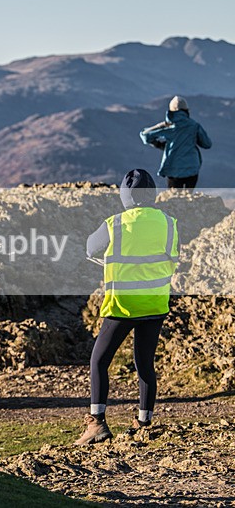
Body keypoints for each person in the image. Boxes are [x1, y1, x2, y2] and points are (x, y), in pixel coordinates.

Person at [76, 169, 179, 445]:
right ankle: (143, 422)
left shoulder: (115, 224)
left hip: (122, 305)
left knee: (99, 361)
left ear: (125, 195)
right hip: (155, 304)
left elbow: (89, 248)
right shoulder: (169, 223)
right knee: (145, 363)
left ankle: (97, 423)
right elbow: (173, 256)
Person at [140, 95, 212, 190]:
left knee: (175, 199)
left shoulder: (168, 127)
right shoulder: (194, 126)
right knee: (188, 196)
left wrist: (158, 139)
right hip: (192, 167)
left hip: (173, 169)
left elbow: (145, 136)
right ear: (186, 110)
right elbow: (207, 144)